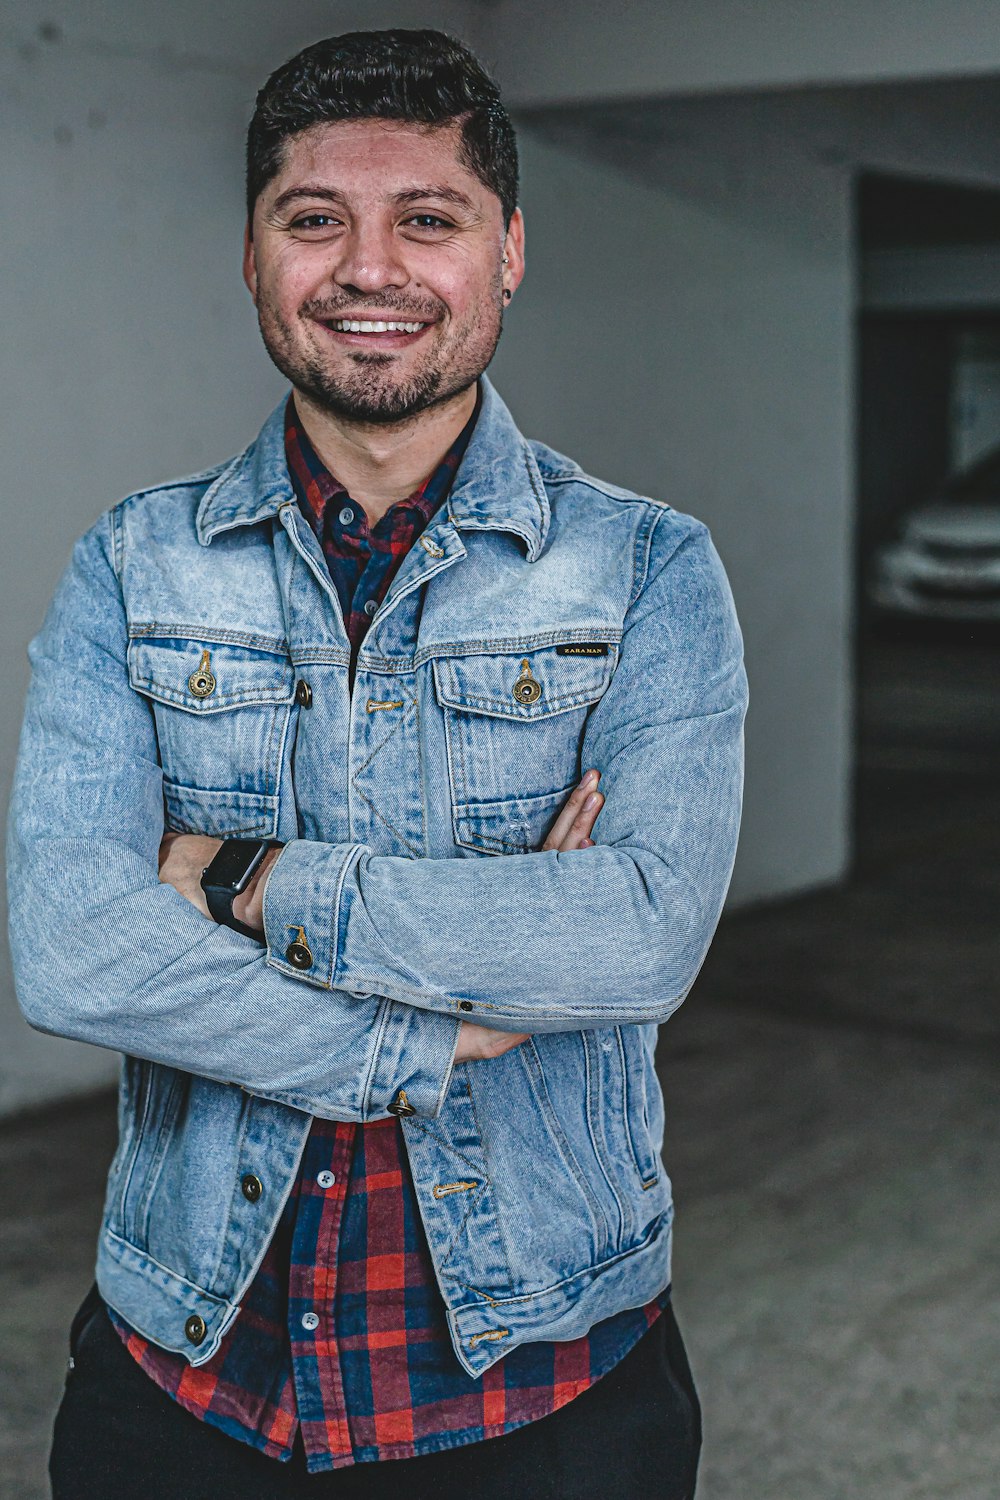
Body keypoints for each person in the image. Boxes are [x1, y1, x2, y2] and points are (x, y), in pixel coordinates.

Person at [7, 28, 747, 1500]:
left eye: (427, 219)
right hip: (184, 1387)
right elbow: (72, 949)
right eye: (313, 219)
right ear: (252, 253)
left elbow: (641, 937)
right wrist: (430, 1027)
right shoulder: (133, 562)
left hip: (546, 1391)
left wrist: (235, 877)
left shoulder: (645, 570)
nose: (369, 269)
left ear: (508, 250)